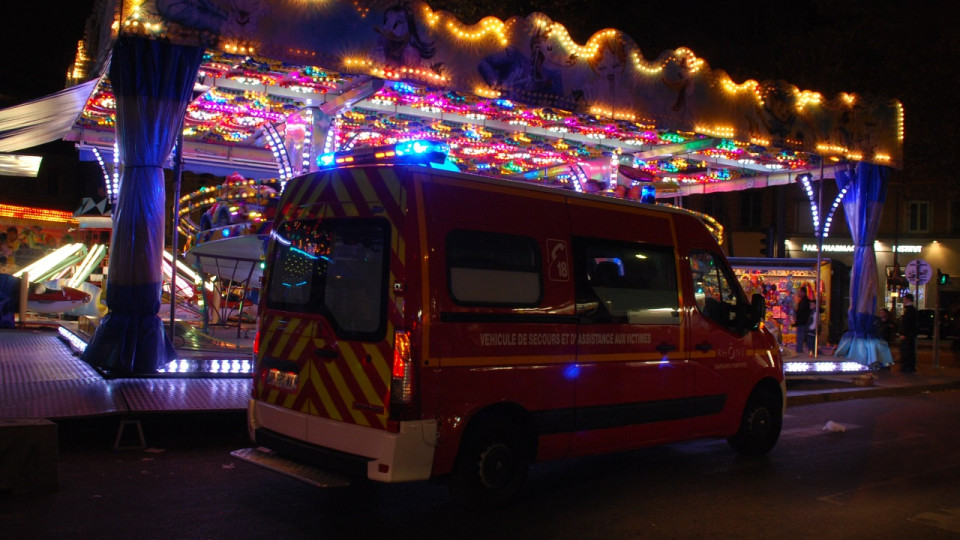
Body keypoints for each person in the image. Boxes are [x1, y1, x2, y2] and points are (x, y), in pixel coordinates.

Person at [899, 293, 919, 372]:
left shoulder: (910, 310)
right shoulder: (911, 310)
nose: (903, 301)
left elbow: (907, 323)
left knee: (908, 350)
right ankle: (908, 366)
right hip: (909, 334)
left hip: (908, 335)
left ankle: (908, 366)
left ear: (908, 300)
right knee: (907, 350)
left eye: (904, 299)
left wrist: (903, 333)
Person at [794, 287, 815, 355]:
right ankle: (809, 351)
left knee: (800, 338)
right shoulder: (803, 301)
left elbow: (802, 313)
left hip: (802, 323)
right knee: (804, 338)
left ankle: (800, 352)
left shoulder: (804, 301)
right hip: (803, 323)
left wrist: (796, 313)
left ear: (803, 292)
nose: (799, 293)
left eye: (800, 291)